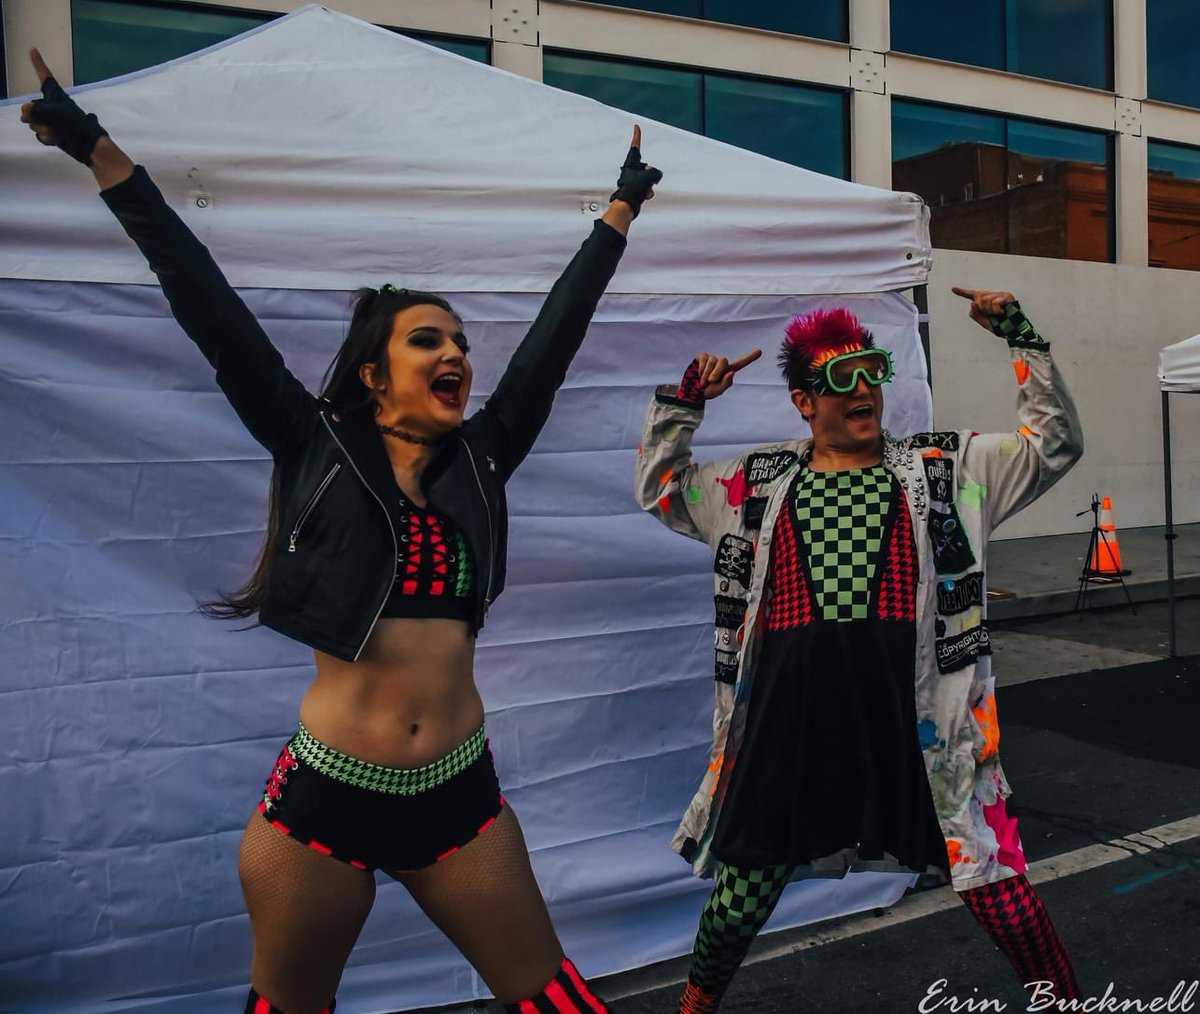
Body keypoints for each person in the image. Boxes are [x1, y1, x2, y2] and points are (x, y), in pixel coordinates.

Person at [21, 48, 661, 1014]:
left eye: (459, 343)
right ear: (373, 374)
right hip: (324, 802)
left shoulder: (484, 462)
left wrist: (620, 213)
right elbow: (203, 297)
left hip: (459, 799)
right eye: (427, 340)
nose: (455, 354)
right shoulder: (309, 442)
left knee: (559, 1002)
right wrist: (99, 152)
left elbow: (553, 341)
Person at [634, 293, 1084, 1012]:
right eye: (842, 381)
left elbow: (1051, 445)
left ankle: (1066, 1002)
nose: (865, 391)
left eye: (872, 372)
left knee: (989, 872)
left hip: (917, 718)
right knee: (748, 882)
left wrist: (1022, 337)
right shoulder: (753, 482)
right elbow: (662, 488)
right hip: (790, 719)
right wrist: (684, 405)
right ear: (804, 402)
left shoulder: (947, 467)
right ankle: (694, 1006)